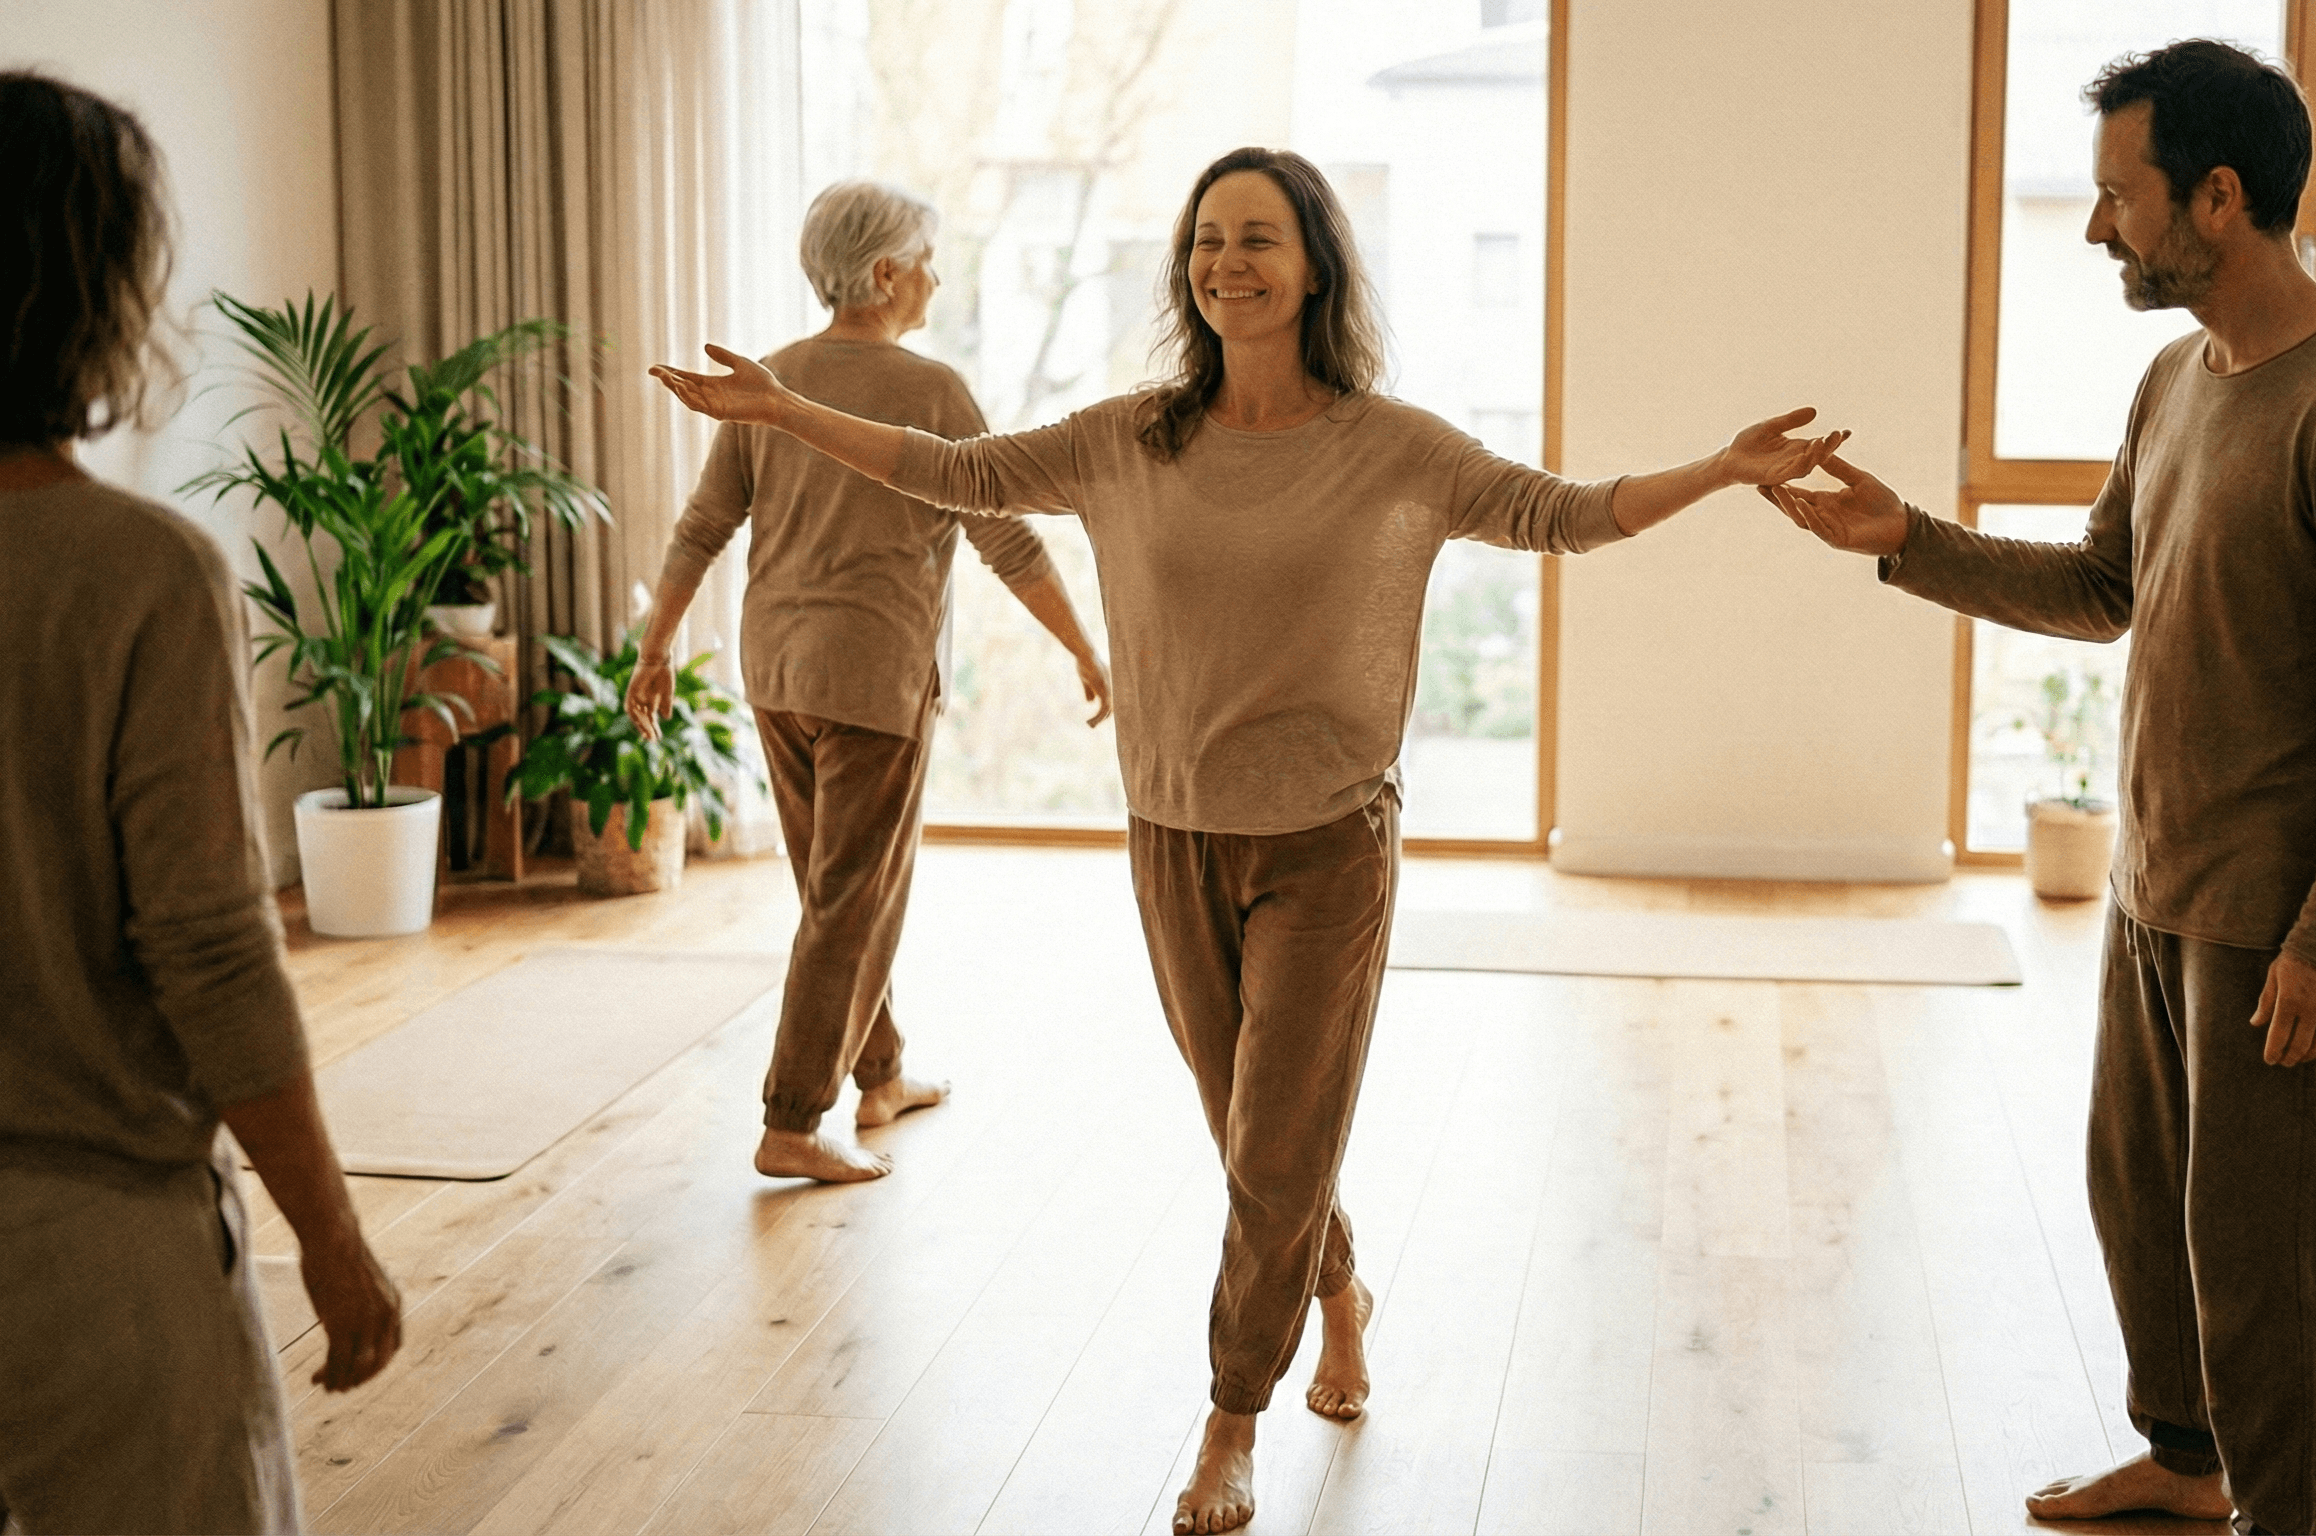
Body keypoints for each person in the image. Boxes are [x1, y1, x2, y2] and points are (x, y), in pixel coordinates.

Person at [651, 145, 1832, 1535]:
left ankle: (1230, 1417)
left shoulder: (1391, 445)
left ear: (1317, 262)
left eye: (1259, 237)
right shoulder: (1129, 435)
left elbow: (1561, 514)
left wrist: (1722, 470)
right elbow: (954, 472)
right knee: (1250, 1129)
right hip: (1171, 834)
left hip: (1329, 841)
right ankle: (1338, 1285)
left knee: (1276, 1138)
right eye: (1208, 239)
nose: (1227, 262)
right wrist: (786, 413)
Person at [1767, 40, 2316, 1536]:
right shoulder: (2179, 378)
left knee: (2266, 1244)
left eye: (2117, 198)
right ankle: (2191, 1460)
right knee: (2146, 1204)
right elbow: (2102, 584)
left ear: (2216, 196)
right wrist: (1906, 538)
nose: (2096, 230)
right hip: (2156, 881)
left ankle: (2290, 1515)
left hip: (2272, 916)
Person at [0, 69, 404, 1534]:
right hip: (87, 1252)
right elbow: (208, 945)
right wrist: (335, 1245)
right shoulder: (133, 571)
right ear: (93, 285)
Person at [624, 180, 1112, 1186]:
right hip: (871, 677)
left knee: (832, 888)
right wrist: (1081, 645)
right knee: (851, 899)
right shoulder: (930, 391)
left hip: (779, 673)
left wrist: (656, 644)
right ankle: (793, 1119)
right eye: (927, 255)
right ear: (884, 272)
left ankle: (880, 1072)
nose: (937, 274)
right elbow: (1003, 534)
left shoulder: (773, 380)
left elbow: (703, 524)